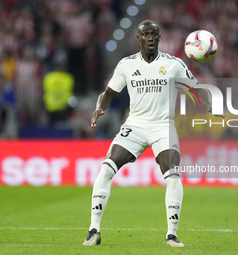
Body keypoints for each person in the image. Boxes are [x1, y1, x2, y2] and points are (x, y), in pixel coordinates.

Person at [83, 20, 223, 247]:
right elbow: (108, 92)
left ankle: (172, 234)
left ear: (159, 38)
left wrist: (210, 104)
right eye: (146, 34)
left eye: (154, 34)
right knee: (107, 168)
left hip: (163, 126)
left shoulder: (174, 64)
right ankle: (93, 230)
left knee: (173, 175)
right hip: (135, 124)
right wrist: (100, 106)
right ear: (138, 39)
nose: (150, 38)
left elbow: (196, 88)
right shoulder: (126, 65)